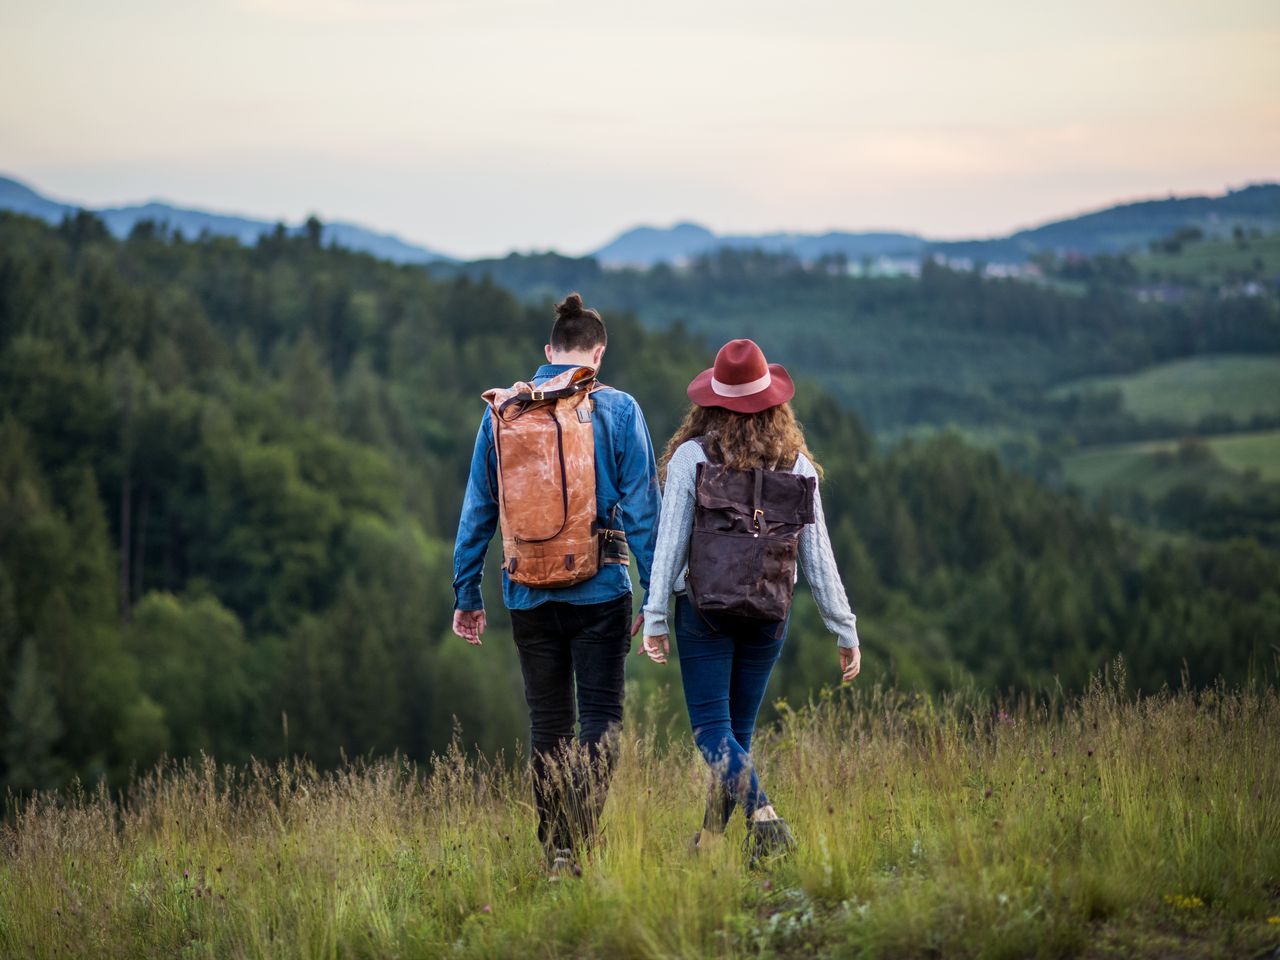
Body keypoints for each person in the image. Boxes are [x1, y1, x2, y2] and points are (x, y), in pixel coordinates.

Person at [452, 292, 660, 876]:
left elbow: (478, 512)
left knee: (549, 725)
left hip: (526, 594)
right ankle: (580, 841)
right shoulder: (617, 409)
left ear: (548, 352)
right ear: (597, 356)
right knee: (599, 718)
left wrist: (467, 595)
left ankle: (555, 851)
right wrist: (658, 595)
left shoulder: (503, 414)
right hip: (601, 590)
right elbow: (645, 509)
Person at [638, 338, 861, 865]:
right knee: (737, 733)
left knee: (712, 731)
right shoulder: (798, 465)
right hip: (769, 613)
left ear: (711, 401)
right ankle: (712, 841)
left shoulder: (694, 457)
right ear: (773, 403)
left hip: (705, 613)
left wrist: (654, 616)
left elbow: (670, 544)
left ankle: (766, 819)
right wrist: (844, 627)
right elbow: (819, 557)